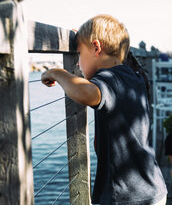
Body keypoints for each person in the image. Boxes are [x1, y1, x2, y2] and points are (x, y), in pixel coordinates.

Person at [41, 14, 167, 205]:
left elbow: (85, 93)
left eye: (79, 54)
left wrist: (57, 72)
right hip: (151, 189)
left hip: (128, 197)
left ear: (96, 48)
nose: (78, 64)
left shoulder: (110, 79)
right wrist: (83, 38)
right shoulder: (134, 76)